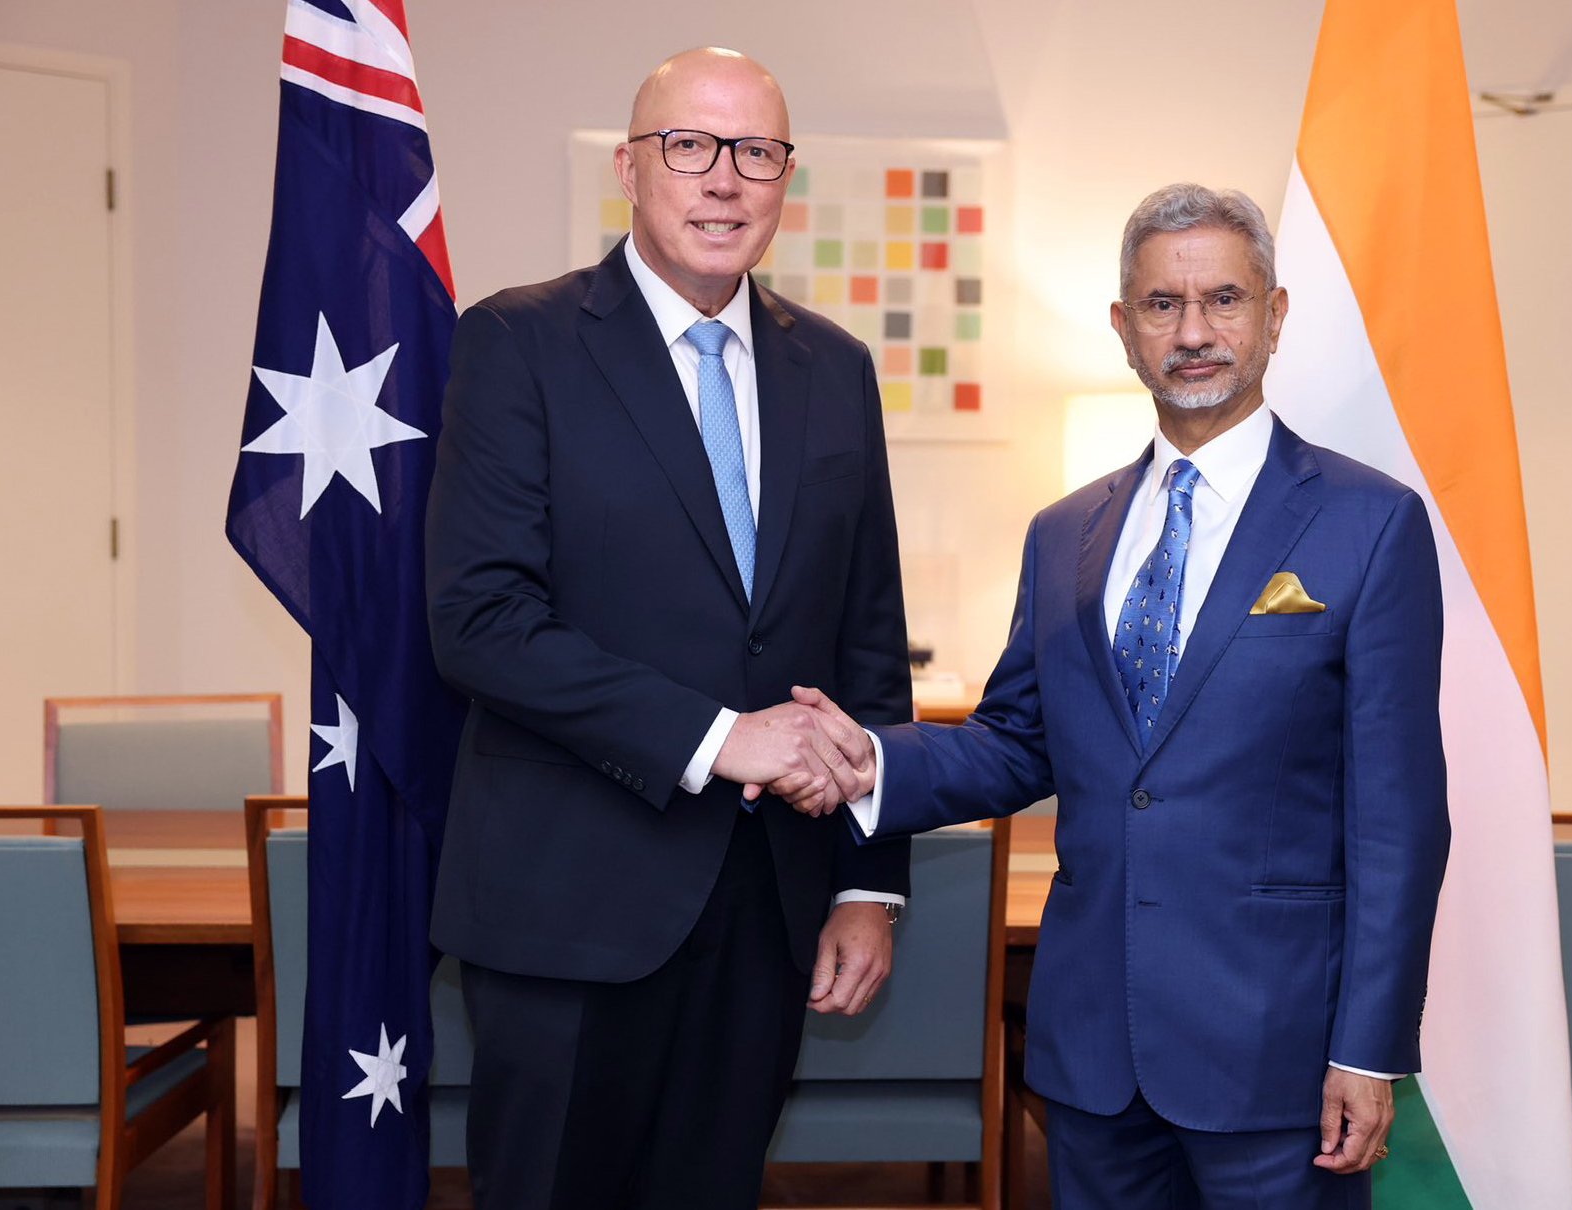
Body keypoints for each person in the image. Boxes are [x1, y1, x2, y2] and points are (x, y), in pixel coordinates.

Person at [805, 183, 1451, 1209]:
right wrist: (867, 761)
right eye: (1162, 306)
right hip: (1094, 1050)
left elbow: (1399, 821)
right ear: (1124, 328)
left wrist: (1370, 1047)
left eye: (1225, 301)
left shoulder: (1371, 525)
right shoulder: (1066, 532)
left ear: (1274, 316)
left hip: (1280, 1056)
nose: (1194, 332)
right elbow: (1018, 743)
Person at [425, 47, 910, 1209]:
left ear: (785, 178)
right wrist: (714, 736)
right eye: (690, 147)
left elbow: (869, 643)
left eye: (756, 153)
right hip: (569, 905)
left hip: (769, 908)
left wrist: (868, 884)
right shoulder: (517, 344)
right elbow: (478, 620)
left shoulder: (834, 370)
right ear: (631, 170)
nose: (724, 180)